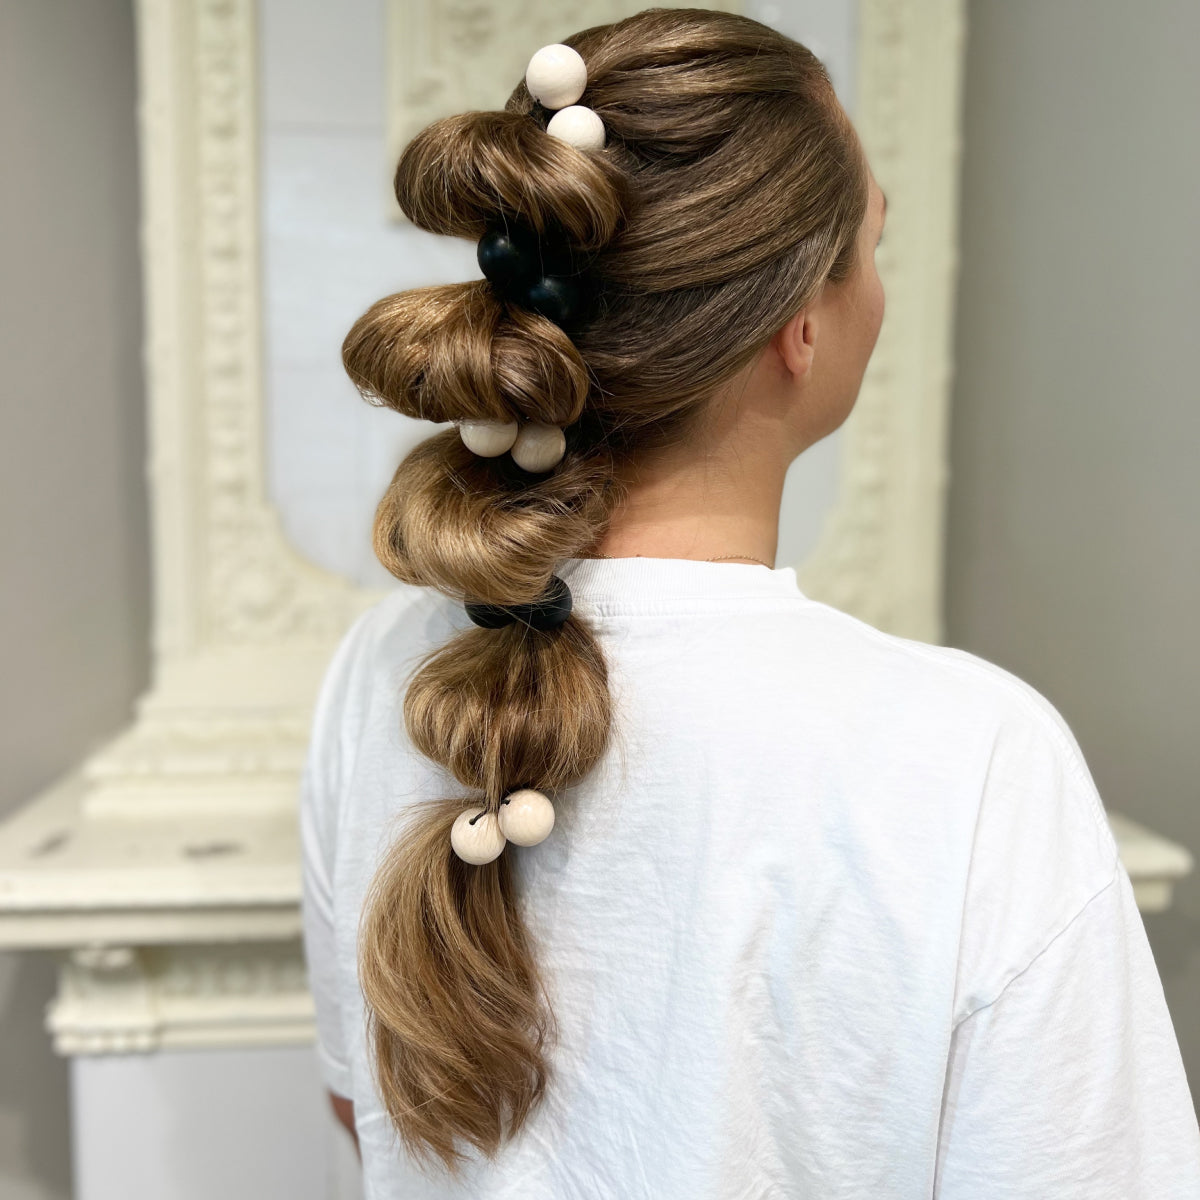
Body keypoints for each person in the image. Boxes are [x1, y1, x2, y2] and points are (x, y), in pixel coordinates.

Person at [298, 9, 1200, 1198]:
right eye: (871, 244)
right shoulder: (972, 760)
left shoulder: (382, 674)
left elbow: (362, 1106)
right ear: (803, 326)